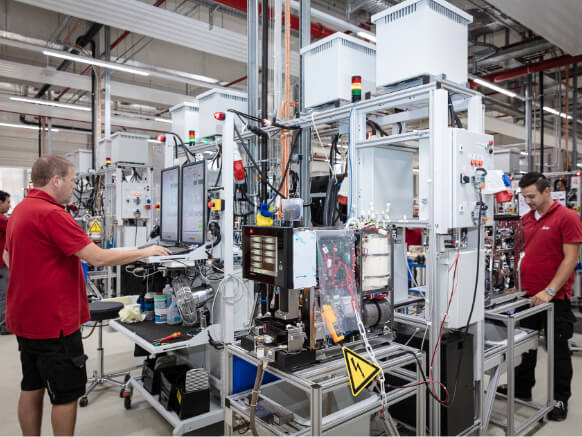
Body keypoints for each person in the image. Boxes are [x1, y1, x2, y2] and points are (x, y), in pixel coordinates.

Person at [3, 155, 170, 436]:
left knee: (32, 385)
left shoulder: (20, 211)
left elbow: (9, 257)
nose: (74, 186)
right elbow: (98, 258)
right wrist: (146, 251)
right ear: (56, 180)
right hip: (54, 323)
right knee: (66, 395)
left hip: (25, 319)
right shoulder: (53, 214)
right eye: (71, 180)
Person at [499, 172, 582, 421]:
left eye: (532, 196)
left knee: (557, 351)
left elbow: (571, 259)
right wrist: (513, 286)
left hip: (554, 299)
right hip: (526, 297)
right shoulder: (526, 220)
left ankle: (559, 399)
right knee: (524, 347)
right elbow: (521, 256)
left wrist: (550, 290)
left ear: (547, 191)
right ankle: (522, 389)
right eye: (524, 197)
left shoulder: (568, 218)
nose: (528, 201)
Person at [0, 190, 10, 335]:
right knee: (4, 295)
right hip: (1, 264)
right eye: (7, 202)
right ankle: (4, 326)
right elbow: (17, 227)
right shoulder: (2, 219)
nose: (9, 205)